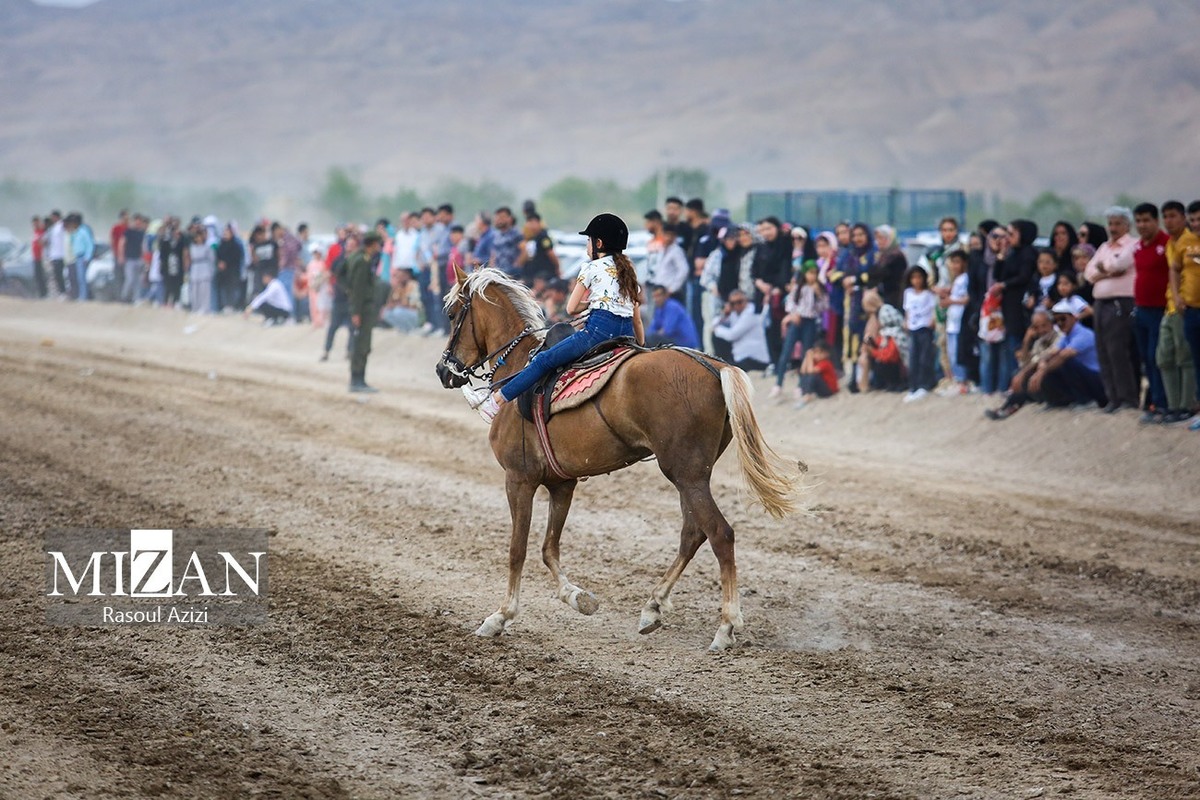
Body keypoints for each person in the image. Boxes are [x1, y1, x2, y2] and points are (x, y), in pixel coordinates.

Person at [464, 213, 643, 423]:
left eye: (589, 240)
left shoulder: (591, 268)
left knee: (543, 360)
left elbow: (571, 308)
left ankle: (494, 402)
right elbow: (637, 319)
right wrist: (640, 346)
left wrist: (594, 303)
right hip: (627, 336)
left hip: (597, 333)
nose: (587, 245)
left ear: (599, 243)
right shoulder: (629, 273)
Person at [1083, 206, 1139, 412]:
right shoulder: (1104, 247)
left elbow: (1120, 265)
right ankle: (1112, 397)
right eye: (1110, 224)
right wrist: (1106, 270)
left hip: (1120, 302)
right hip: (1100, 302)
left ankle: (1127, 397)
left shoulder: (1133, 244)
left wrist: (1103, 269)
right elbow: (1089, 273)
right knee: (1103, 351)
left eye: (1117, 224)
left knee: (1117, 351)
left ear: (1127, 225)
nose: (1113, 228)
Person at [983, 307, 1063, 419]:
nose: (1041, 330)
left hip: (1058, 379)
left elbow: (1042, 359)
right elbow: (1025, 363)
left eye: (1044, 325)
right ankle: (1007, 407)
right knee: (1019, 374)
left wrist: (1023, 373)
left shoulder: (1060, 337)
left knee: (1027, 375)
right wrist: (1026, 340)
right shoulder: (1039, 342)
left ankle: (1009, 407)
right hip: (1041, 380)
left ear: (1051, 323)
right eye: (1037, 327)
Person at [1131, 203, 1171, 422]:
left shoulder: (1166, 244)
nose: (1142, 225)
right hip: (1141, 309)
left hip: (1160, 310)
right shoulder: (1138, 247)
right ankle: (1154, 401)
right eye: (1138, 221)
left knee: (1159, 357)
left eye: (1146, 220)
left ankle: (1163, 403)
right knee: (1146, 357)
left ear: (1156, 221)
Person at [1160, 200, 1198, 424]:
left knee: (1186, 357)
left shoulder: (1190, 242)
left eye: (1172, 216)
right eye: (1165, 216)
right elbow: (1174, 271)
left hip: (1187, 308)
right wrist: (1175, 296)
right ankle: (1173, 406)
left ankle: (1187, 406)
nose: (1168, 221)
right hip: (1173, 306)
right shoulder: (1176, 243)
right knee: (1164, 357)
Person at [770, 264, 826, 398]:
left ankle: (801, 385)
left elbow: (823, 307)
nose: (812, 276)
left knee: (806, 354)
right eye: (810, 273)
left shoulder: (818, 288)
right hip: (796, 321)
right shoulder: (798, 287)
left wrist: (818, 293)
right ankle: (778, 383)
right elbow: (790, 303)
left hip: (810, 322)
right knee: (786, 352)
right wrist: (793, 314)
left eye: (814, 273)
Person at [1170, 200, 1200, 428]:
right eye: (1193, 220)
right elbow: (1175, 267)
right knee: (1197, 360)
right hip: (1191, 309)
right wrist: (1177, 296)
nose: (1197, 224)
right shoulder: (1186, 242)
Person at [346, 232, 383, 393]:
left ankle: (358, 379)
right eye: (378, 244)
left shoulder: (357, 257)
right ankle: (357, 380)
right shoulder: (362, 261)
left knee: (360, 343)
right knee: (362, 344)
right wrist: (356, 312)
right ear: (372, 244)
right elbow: (358, 288)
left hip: (361, 308)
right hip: (362, 309)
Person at [711, 289, 771, 373]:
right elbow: (714, 324)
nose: (736, 305)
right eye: (732, 303)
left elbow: (732, 335)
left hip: (755, 359)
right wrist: (724, 313)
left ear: (746, 300)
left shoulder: (752, 313)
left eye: (739, 302)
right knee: (716, 336)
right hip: (740, 357)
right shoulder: (734, 313)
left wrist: (716, 330)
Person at [903, 266, 937, 401]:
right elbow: (908, 309)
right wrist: (906, 321)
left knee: (924, 357)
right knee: (913, 357)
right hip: (913, 328)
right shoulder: (908, 293)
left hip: (925, 327)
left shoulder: (928, 294)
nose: (916, 281)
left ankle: (924, 384)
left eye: (919, 277)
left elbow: (933, 308)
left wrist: (932, 321)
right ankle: (913, 385)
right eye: (913, 278)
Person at [940, 250, 971, 394]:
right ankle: (958, 381)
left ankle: (962, 382)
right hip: (952, 322)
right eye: (952, 262)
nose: (954, 265)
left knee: (958, 353)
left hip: (960, 322)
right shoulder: (957, 279)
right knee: (952, 353)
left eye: (957, 262)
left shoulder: (965, 278)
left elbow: (966, 299)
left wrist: (950, 301)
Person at [646, 283, 700, 348]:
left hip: (683, 343)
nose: (656, 299)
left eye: (658, 296)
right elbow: (651, 329)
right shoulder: (659, 309)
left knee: (652, 339)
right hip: (673, 341)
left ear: (666, 295)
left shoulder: (672, 306)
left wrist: (654, 334)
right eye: (654, 297)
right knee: (646, 338)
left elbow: (667, 331)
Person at [516, 212, 559, 286]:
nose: (530, 226)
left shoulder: (543, 237)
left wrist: (557, 268)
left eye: (533, 222)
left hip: (543, 274)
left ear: (539, 223)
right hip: (532, 274)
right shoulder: (530, 238)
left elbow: (551, 253)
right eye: (529, 223)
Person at [794, 340, 839, 407]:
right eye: (816, 352)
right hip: (822, 388)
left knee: (813, 375)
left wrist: (809, 358)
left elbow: (811, 371)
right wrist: (807, 357)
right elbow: (803, 371)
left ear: (826, 354)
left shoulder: (826, 363)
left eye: (820, 353)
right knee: (805, 375)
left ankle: (807, 396)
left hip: (830, 390)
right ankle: (802, 390)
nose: (817, 355)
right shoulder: (816, 361)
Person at [651, 223, 689, 302]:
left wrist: (673, 288)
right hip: (660, 291)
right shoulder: (661, 249)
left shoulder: (677, 251)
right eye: (666, 235)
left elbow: (684, 270)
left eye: (671, 235)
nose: (668, 238)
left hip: (671, 292)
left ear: (674, 236)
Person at [381, 267, 422, 333]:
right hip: (403, 310)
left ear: (407, 276)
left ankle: (412, 328)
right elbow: (392, 301)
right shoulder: (399, 286)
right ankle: (403, 328)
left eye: (401, 276)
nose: (399, 278)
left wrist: (396, 304)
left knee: (398, 311)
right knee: (386, 312)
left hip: (414, 313)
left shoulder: (413, 285)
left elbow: (411, 304)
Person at [215, 222, 245, 312]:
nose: (225, 234)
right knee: (223, 289)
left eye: (227, 232)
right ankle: (224, 305)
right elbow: (217, 256)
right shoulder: (221, 244)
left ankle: (232, 305)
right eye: (224, 232)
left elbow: (237, 257)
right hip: (222, 272)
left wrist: (226, 263)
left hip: (232, 272)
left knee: (232, 289)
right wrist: (219, 263)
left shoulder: (236, 245)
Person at [187, 221, 216, 314]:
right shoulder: (192, 247)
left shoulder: (207, 247)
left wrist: (211, 271)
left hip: (205, 269)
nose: (198, 238)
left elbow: (212, 260)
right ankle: (195, 307)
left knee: (204, 290)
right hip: (195, 268)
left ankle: (204, 308)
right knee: (195, 290)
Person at [118, 214, 147, 304]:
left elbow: (143, 246)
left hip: (138, 258)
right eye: (137, 221)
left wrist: (144, 258)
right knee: (129, 279)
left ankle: (136, 298)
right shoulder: (128, 232)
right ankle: (124, 297)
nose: (138, 224)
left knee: (138, 280)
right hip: (129, 259)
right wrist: (121, 256)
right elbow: (122, 243)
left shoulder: (141, 233)